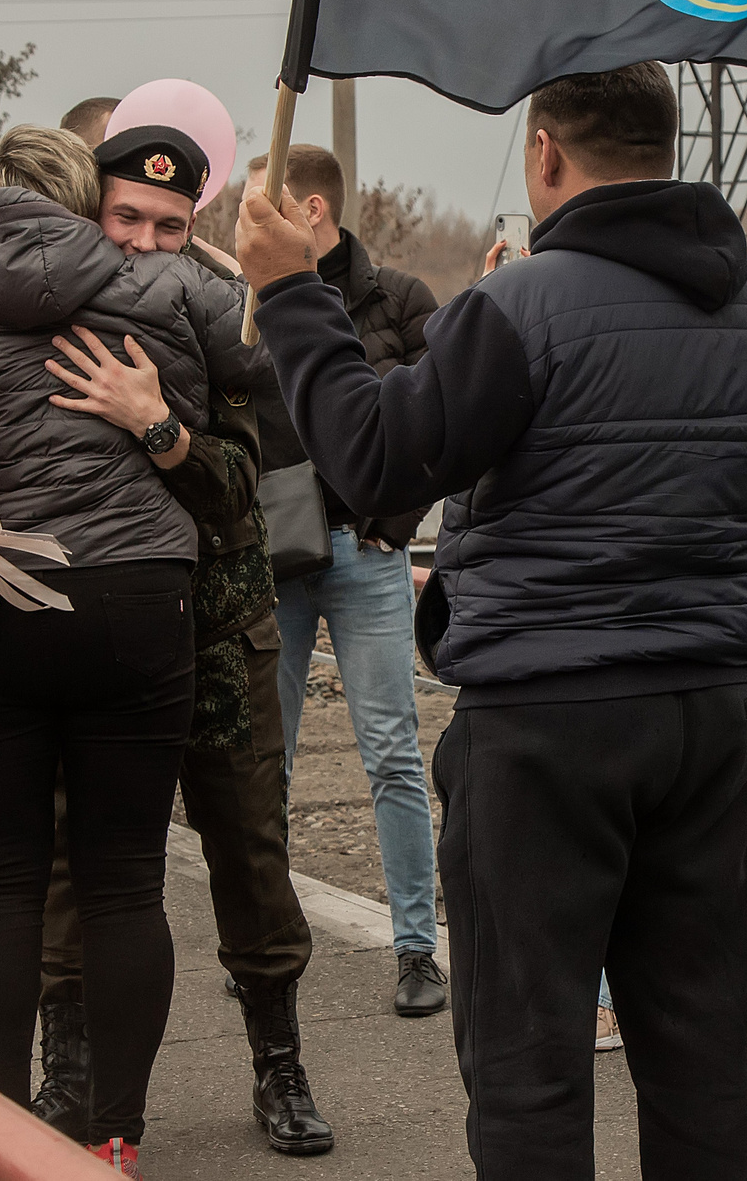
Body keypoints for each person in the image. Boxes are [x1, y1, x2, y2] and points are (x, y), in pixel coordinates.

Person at [235, 63, 747, 1180]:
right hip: (708, 725)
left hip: (543, 728)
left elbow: (374, 462)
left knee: (529, 1067)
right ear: (668, 147)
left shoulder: (517, 308)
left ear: (546, 153)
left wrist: (291, 296)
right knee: (700, 1059)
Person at [0, 125, 241, 1178]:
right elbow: (273, 379)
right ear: (88, 203)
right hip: (137, 601)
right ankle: (113, 1138)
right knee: (125, 883)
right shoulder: (174, 285)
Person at [28, 114, 335, 1158]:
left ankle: (279, 1063)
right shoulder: (41, 313)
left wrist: (157, 427)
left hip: (214, 633)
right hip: (94, 637)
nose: (146, 243)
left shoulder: (219, 326)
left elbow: (246, 486)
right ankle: (68, 1076)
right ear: (90, 214)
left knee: (250, 851)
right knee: (79, 857)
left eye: (169, 224)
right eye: (127, 218)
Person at [245, 142, 446, 1018]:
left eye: (265, 207)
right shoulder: (244, 302)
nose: (249, 224)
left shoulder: (401, 300)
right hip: (277, 555)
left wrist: (391, 521)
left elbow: (439, 424)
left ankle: (417, 949)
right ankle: (264, 943)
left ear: (311, 211)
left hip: (367, 556)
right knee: (267, 760)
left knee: (394, 754)